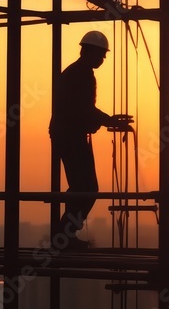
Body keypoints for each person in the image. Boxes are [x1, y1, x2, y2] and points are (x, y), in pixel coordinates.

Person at [49, 31, 132, 250]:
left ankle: (63, 235)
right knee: (87, 188)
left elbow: (82, 110)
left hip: (67, 134)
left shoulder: (76, 72)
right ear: (90, 52)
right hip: (70, 135)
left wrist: (106, 121)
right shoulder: (81, 75)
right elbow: (83, 109)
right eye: (101, 55)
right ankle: (63, 236)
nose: (103, 60)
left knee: (81, 186)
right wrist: (108, 121)